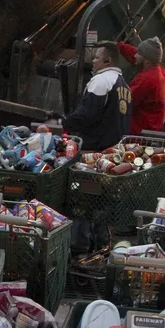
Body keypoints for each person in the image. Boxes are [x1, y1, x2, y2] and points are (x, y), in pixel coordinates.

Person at [52, 41, 133, 255]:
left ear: (107, 60)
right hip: (113, 155)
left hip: (94, 153)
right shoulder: (123, 85)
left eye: (96, 57)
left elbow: (87, 114)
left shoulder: (100, 81)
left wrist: (63, 123)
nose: (93, 61)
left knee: (82, 201)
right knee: (101, 202)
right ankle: (102, 246)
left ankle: (79, 249)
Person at [116, 36, 165, 134]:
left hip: (141, 133)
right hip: (148, 129)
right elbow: (135, 55)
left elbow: (125, 100)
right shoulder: (159, 70)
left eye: (138, 53)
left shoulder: (147, 80)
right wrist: (119, 46)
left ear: (147, 61)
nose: (135, 55)